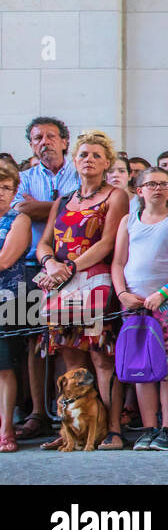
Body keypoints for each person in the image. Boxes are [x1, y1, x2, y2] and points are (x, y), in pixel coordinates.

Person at [35, 130, 130, 449]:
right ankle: (72, 431)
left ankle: (112, 429)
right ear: (74, 160)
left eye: (96, 156)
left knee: (101, 356)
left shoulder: (115, 195)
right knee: (69, 356)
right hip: (61, 283)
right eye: (83, 154)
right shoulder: (64, 199)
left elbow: (107, 241)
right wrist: (50, 264)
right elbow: (45, 241)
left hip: (94, 281)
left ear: (107, 163)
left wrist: (70, 267)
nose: (88, 159)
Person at [112, 167, 168, 451]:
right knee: (140, 365)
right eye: (151, 184)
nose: (157, 188)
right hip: (134, 304)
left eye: (163, 184)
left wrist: (164, 292)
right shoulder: (128, 221)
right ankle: (148, 427)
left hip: (167, 304)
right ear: (140, 190)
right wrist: (122, 293)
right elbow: (118, 262)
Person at [11, 116, 78, 442]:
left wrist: (46, 208)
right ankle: (38, 411)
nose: (45, 142)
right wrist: (62, 205)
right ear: (31, 144)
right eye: (38, 137)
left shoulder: (79, 172)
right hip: (30, 266)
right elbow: (20, 208)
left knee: (69, 340)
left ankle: (69, 409)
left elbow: (79, 210)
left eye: (51, 136)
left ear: (65, 141)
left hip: (74, 268)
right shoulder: (23, 177)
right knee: (35, 341)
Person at [0, 161, 33, 452]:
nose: (0, 192)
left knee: (5, 366)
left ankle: (6, 428)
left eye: (6, 188)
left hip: (7, 301)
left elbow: (5, 260)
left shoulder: (17, 219)